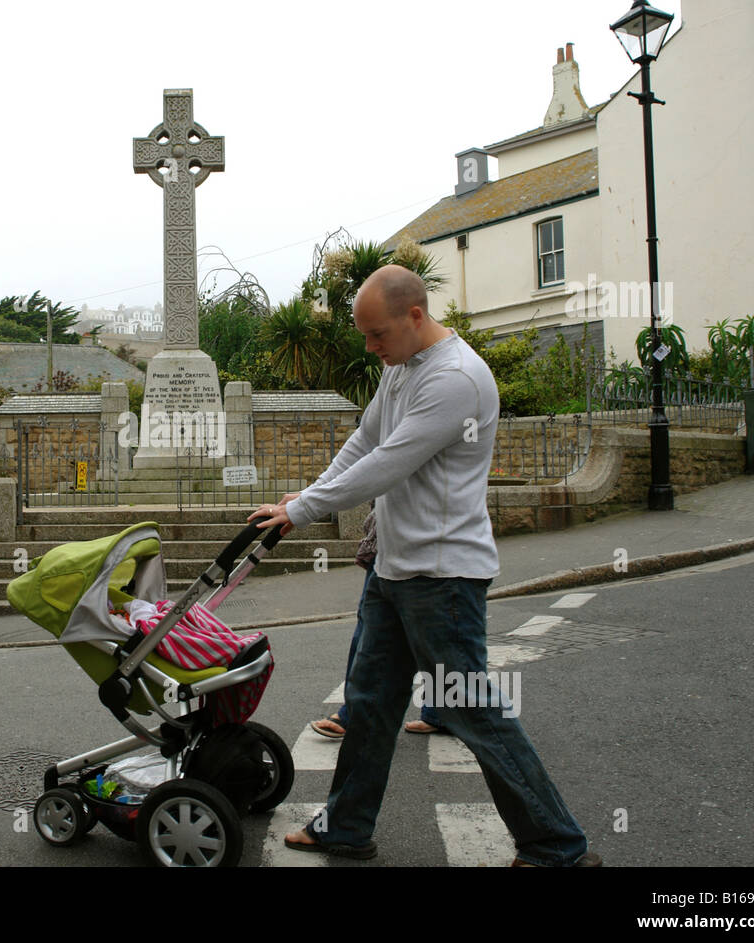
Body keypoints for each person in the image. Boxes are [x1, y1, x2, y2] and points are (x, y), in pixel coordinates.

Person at [252, 264, 597, 867]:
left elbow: (392, 461)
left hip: (443, 577)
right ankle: (346, 826)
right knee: (370, 702)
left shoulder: (457, 378)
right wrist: (297, 499)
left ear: (416, 316)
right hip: (395, 567)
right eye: (365, 336)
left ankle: (557, 845)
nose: (370, 347)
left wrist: (303, 510)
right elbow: (364, 442)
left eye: (377, 334)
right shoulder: (402, 367)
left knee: (471, 711)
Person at [310, 510, 446, 739]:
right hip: (392, 543)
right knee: (422, 635)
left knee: (375, 637)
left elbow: (369, 475)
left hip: (412, 545)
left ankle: (355, 715)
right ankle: (357, 715)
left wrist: (309, 503)